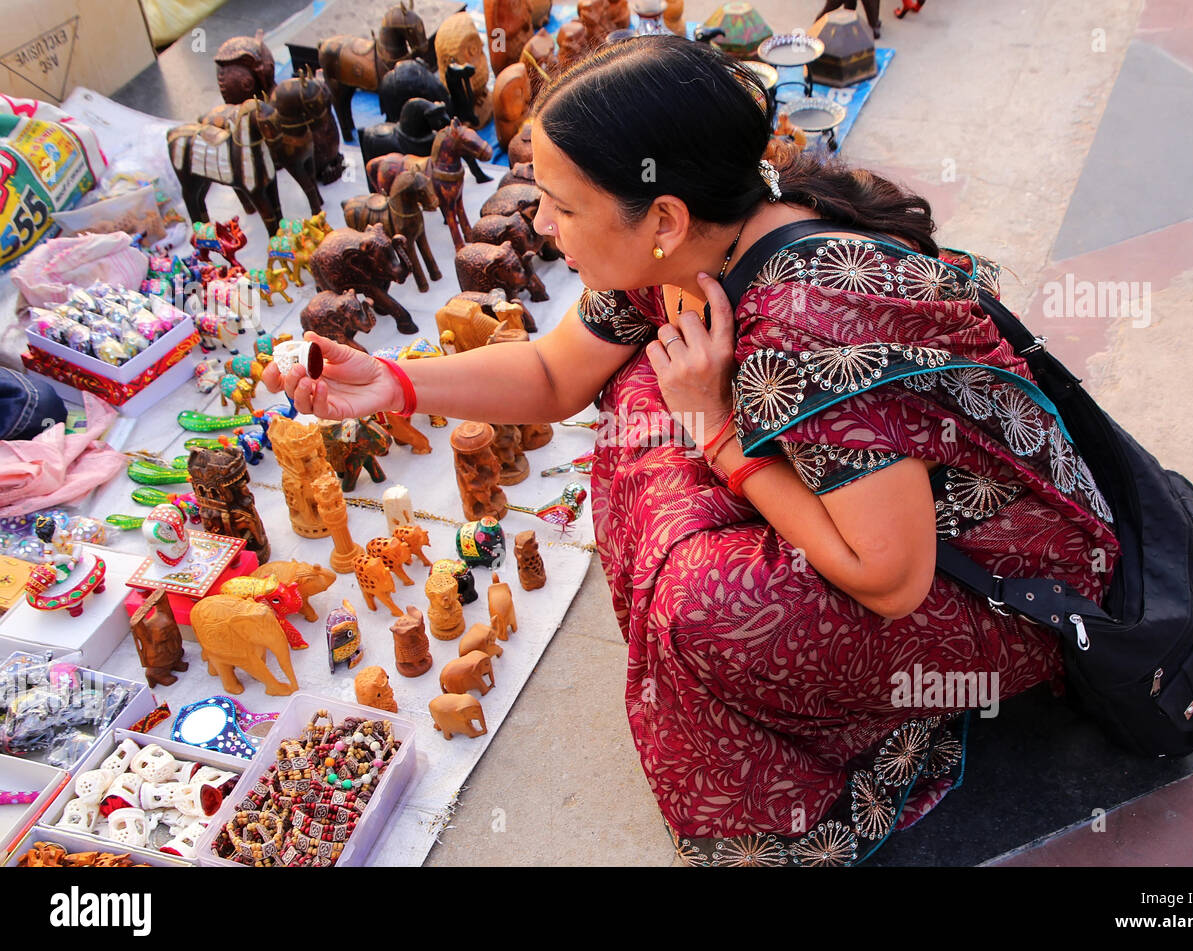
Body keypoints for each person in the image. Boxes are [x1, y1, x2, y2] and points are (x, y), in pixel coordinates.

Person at [262, 34, 1120, 866]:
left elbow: (891, 580)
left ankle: (810, 770)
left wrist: (717, 434)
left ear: (661, 217)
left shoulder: (809, 328)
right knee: (643, 391)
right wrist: (395, 385)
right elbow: (552, 373)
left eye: (565, 206)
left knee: (701, 598)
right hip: (882, 512)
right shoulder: (699, 242)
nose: (547, 226)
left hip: (1010, 590)